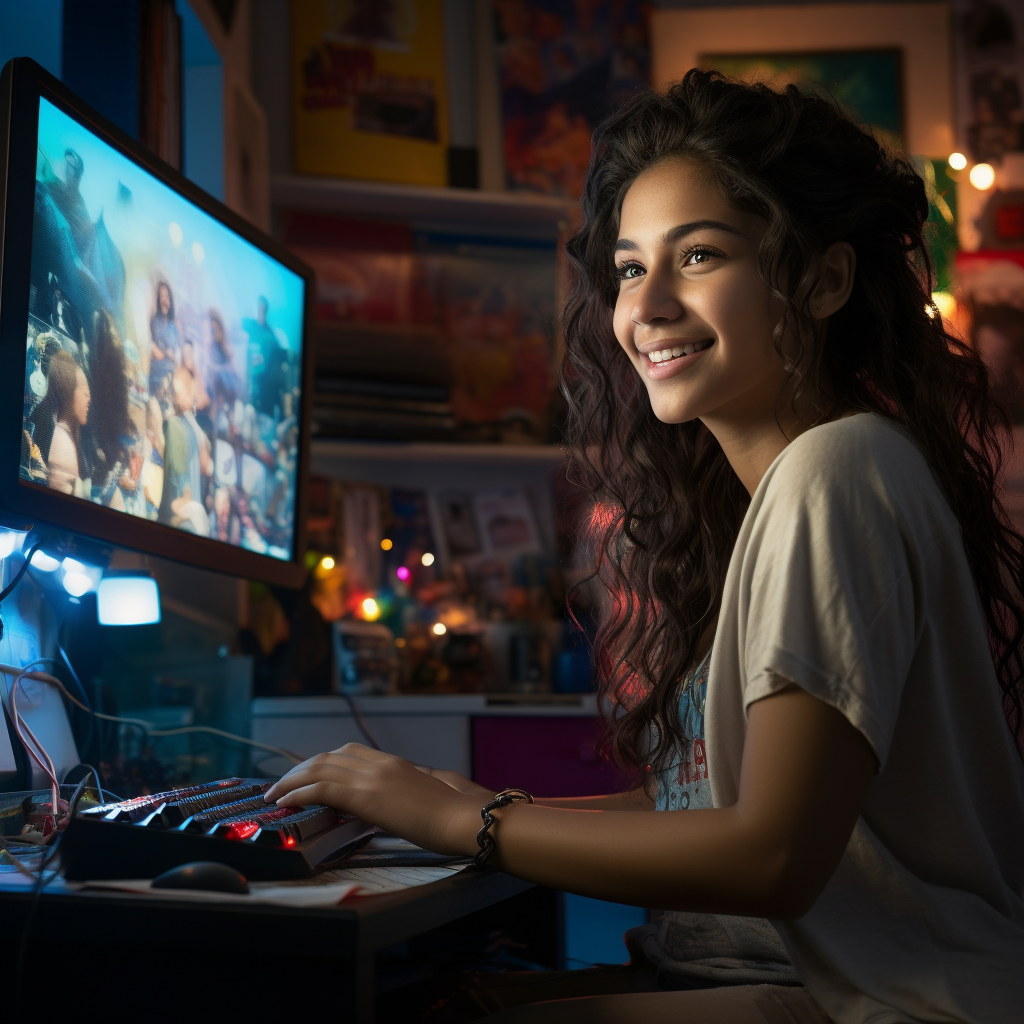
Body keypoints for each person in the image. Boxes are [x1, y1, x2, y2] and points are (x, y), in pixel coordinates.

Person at [264, 71, 1024, 1023]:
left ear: (825, 280)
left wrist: (470, 821)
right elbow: (712, 815)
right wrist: (468, 803)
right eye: (629, 268)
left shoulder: (836, 470)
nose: (648, 306)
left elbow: (771, 856)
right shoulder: (799, 489)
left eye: (698, 255)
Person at [158, 364, 212, 533]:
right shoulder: (190, 425)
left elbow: (178, 482)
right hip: (190, 516)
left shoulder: (177, 425)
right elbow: (207, 466)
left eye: (178, 391)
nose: (176, 396)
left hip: (180, 517)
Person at [45, 350, 90, 497]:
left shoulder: (64, 435)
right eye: (85, 392)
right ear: (69, 393)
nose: (89, 399)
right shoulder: (61, 442)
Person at [148, 280, 182, 414]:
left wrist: (171, 354)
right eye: (161, 296)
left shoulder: (173, 325)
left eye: (166, 296)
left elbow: (175, 353)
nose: (164, 300)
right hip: (159, 376)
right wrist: (169, 354)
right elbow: (161, 352)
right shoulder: (156, 320)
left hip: (172, 377)